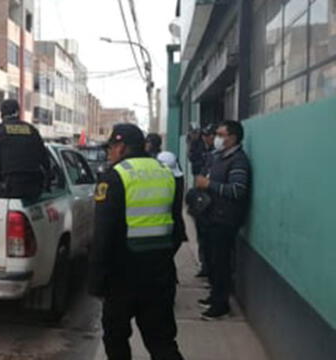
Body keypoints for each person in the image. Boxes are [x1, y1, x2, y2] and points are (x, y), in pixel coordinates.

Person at [88, 123, 185, 360]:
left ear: (121, 147)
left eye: (110, 147)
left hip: (122, 277)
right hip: (160, 273)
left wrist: (97, 281)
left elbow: (103, 235)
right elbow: (176, 228)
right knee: (162, 342)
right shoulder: (165, 172)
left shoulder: (114, 176)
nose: (108, 153)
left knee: (116, 338)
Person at [195, 120, 250, 320]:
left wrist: (209, 184)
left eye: (220, 134)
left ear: (232, 137)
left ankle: (221, 306)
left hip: (225, 220)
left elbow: (237, 190)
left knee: (221, 263)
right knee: (212, 260)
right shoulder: (218, 158)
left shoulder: (238, 161)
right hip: (211, 216)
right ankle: (214, 296)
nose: (216, 138)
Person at [190, 124, 216, 278]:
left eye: (210, 135)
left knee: (211, 241)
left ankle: (210, 270)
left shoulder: (218, 155)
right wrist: (193, 142)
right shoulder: (203, 150)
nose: (207, 138)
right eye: (204, 135)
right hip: (202, 200)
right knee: (202, 237)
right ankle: (205, 266)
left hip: (212, 202)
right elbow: (194, 161)